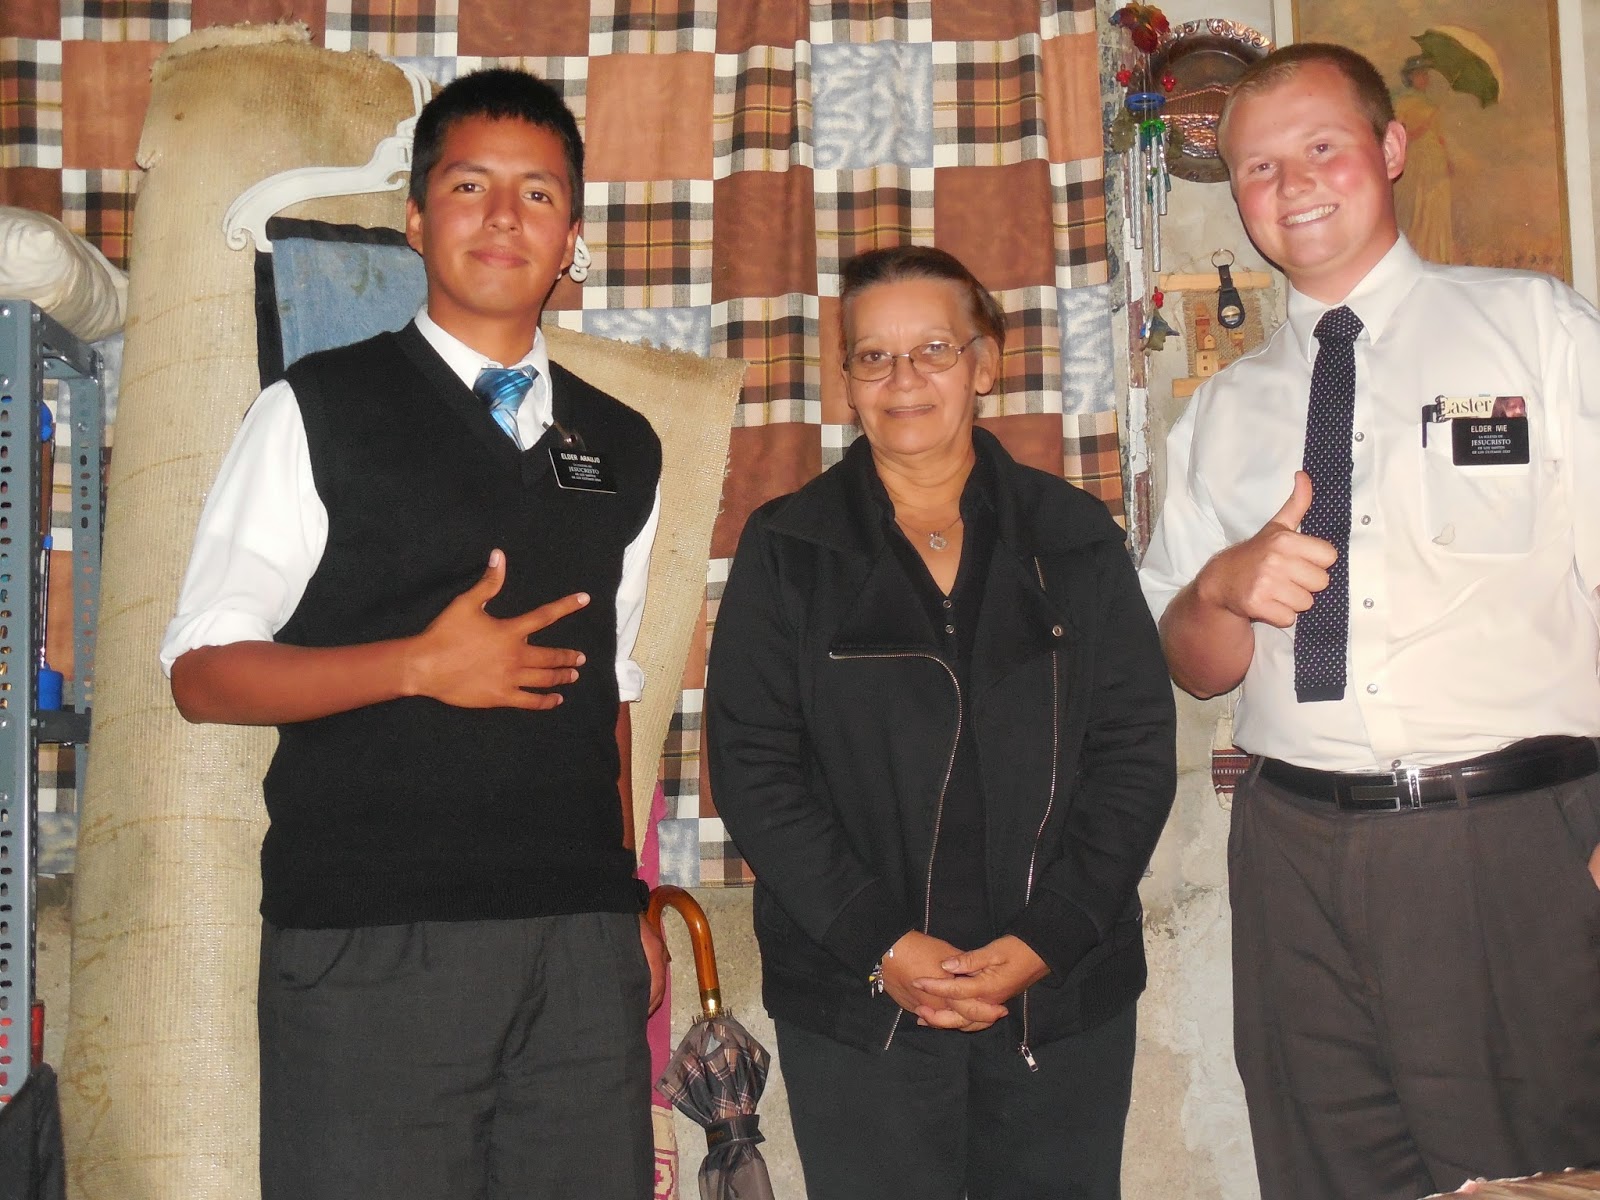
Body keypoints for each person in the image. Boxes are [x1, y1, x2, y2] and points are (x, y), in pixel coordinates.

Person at [161, 68, 666, 1200]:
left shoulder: (623, 445)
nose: (504, 218)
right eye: (470, 186)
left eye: (538, 194)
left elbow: (612, 690)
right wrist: (418, 667)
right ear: (416, 220)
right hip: (371, 938)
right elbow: (202, 675)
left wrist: (626, 900)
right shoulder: (316, 409)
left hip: (578, 946)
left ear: (571, 238)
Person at [1139, 42, 1600, 1200]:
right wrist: (1220, 588)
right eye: (1257, 167)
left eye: (1322, 147)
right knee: (1324, 1171)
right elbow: (1191, 663)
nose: (1291, 184)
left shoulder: (1535, 331)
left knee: (1532, 1176)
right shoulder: (1221, 412)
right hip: (1291, 852)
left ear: (1390, 150)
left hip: (1510, 841)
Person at [706, 245, 1177, 1200]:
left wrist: (1046, 940)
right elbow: (755, 768)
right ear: (846, 381)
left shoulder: (1075, 540)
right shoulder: (789, 548)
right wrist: (881, 943)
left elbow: (1134, 756)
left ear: (984, 363)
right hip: (860, 997)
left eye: (933, 349)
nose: (904, 379)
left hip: (1057, 993)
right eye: (873, 357)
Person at [1392, 56, 1454, 264]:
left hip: (1435, 158)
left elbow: (1439, 135)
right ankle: (1421, 252)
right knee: (1421, 204)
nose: (1425, 78)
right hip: (1417, 158)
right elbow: (1400, 134)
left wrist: (1447, 159)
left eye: (1426, 74)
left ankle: (1438, 253)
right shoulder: (1404, 103)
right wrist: (1420, 129)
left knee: (1438, 202)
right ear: (1410, 77)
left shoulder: (1431, 104)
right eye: (1420, 74)